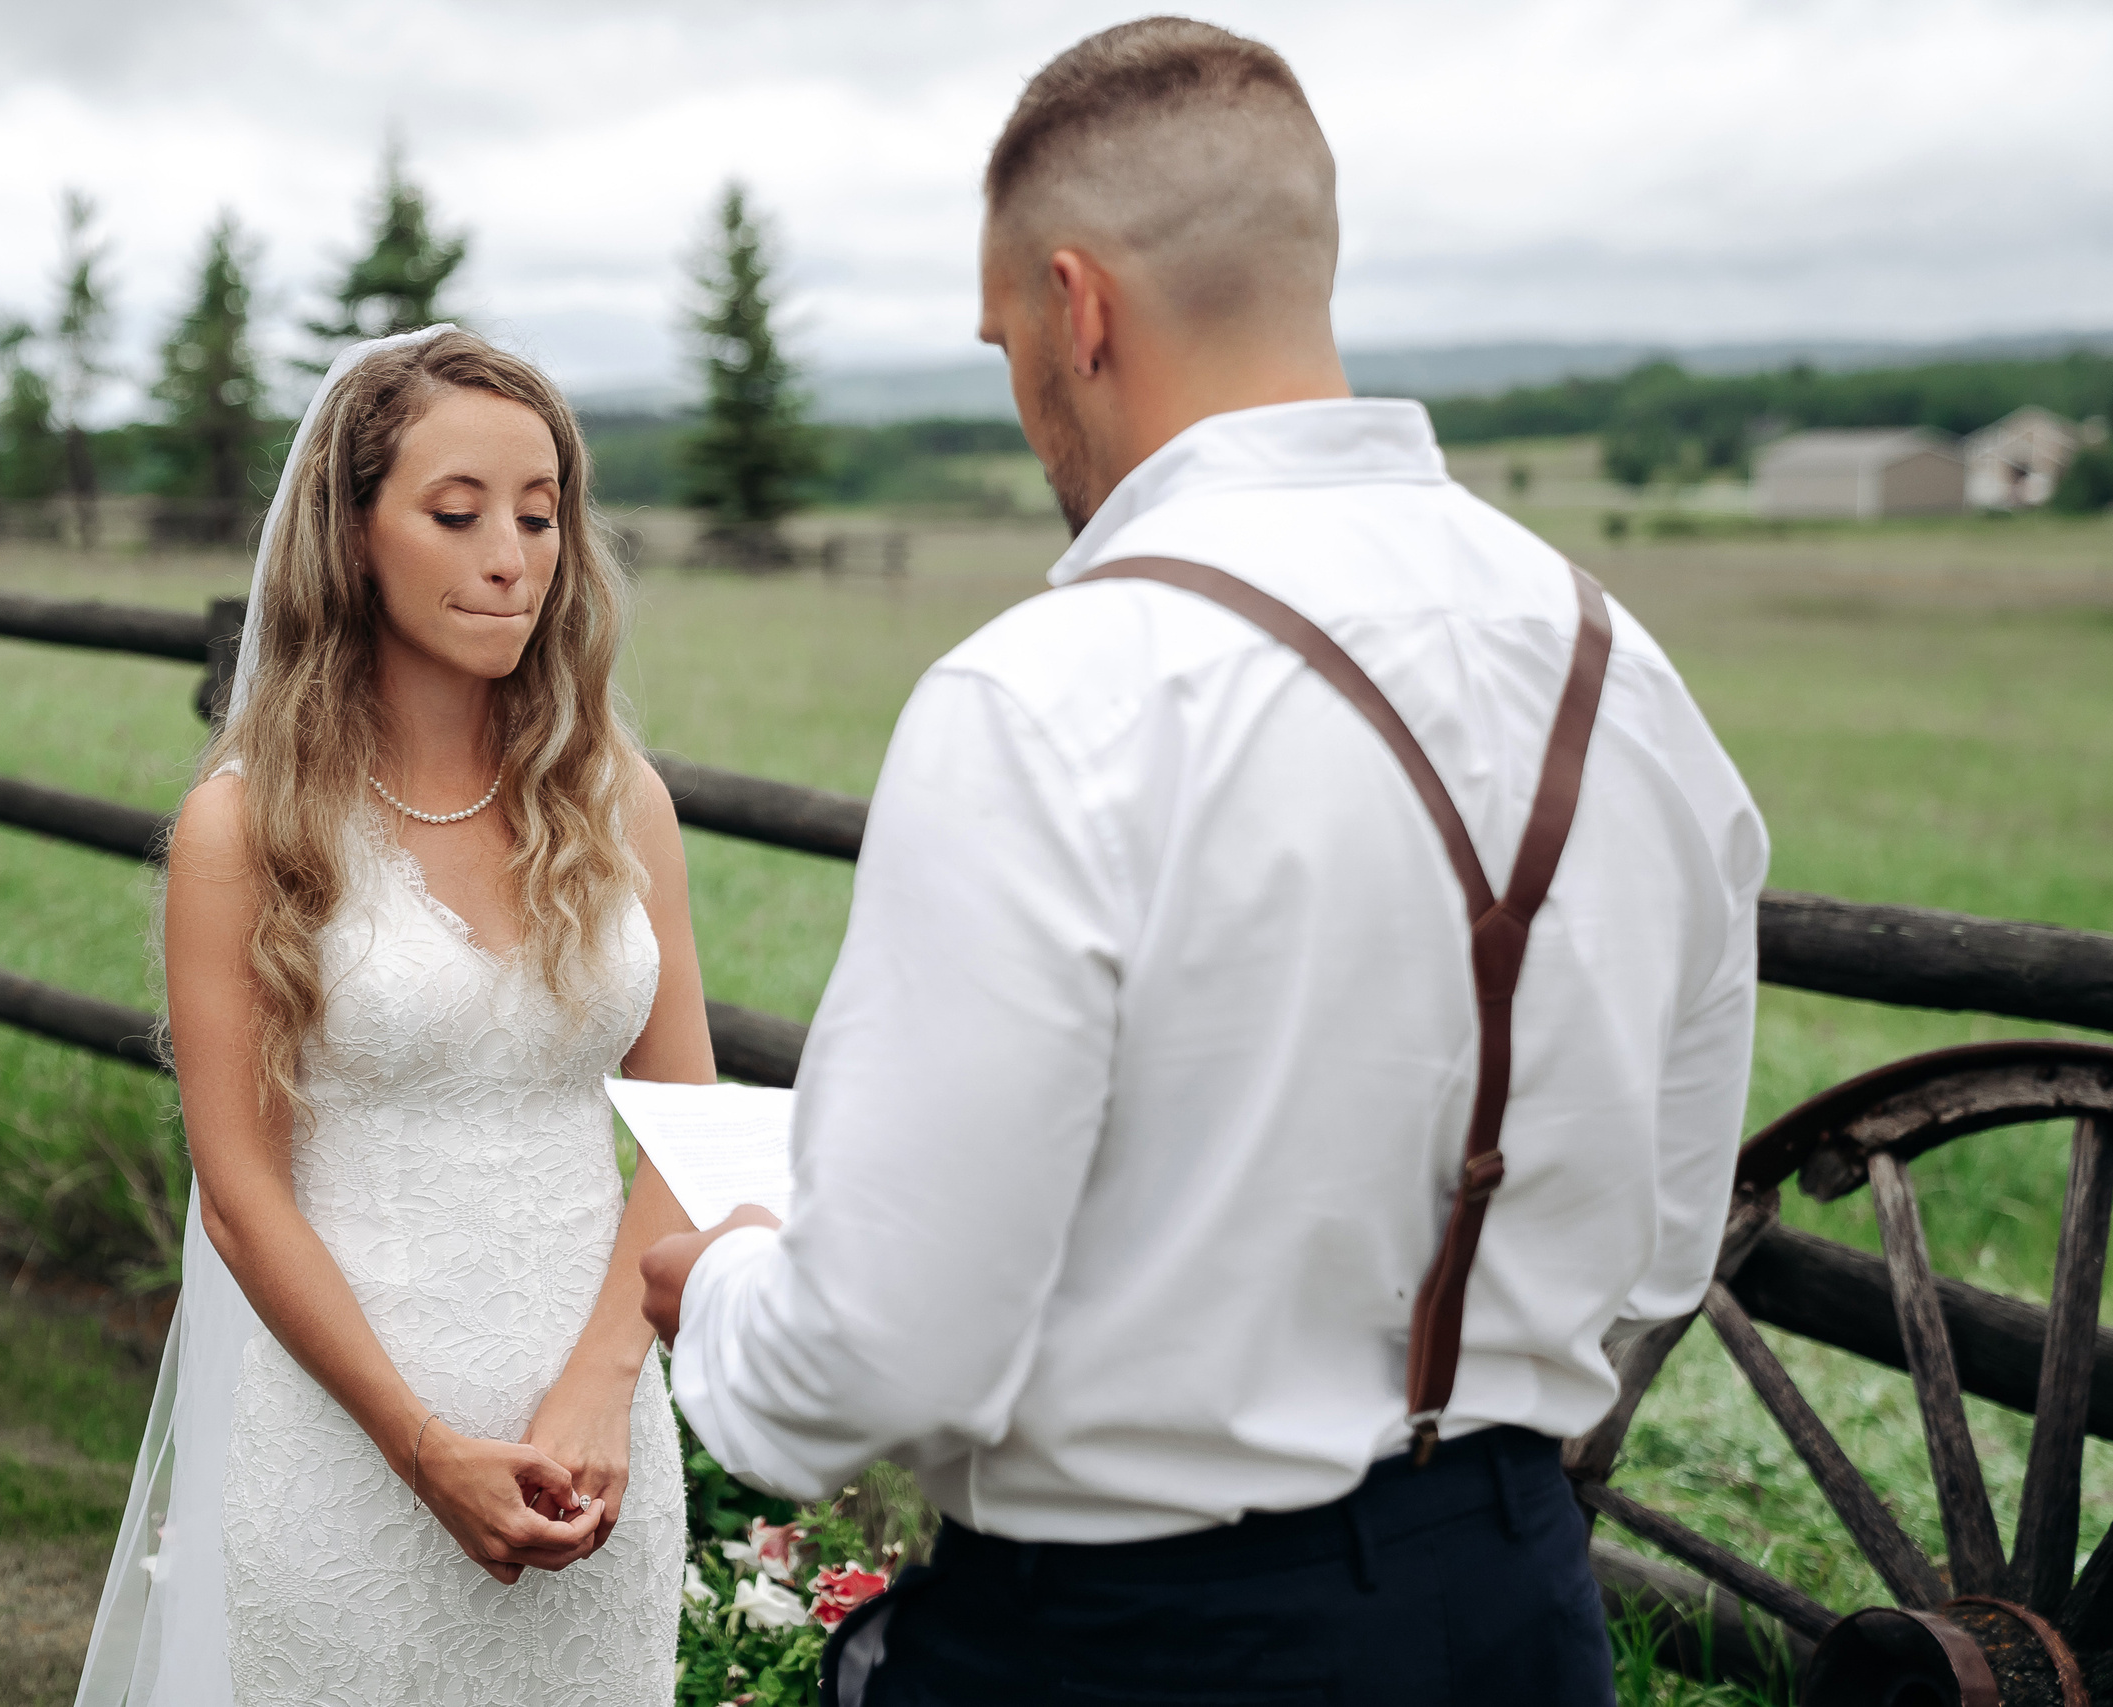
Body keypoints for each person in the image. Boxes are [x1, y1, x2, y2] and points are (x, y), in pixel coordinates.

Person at [642, 20, 1767, 1706]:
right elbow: (1664, 1252)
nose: (1023, 398)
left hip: (1131, 1645)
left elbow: (871, 1361)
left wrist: (723, 1275)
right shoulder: (1634, 683)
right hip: (1520, 1616)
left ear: (1078, 310)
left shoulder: (1045, 697)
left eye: (1006, 338)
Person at [74, 326, 706, 1707]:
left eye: (541, 516)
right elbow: (241, 1197)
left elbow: (685, 1127)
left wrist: (604, 1387)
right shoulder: (245, 828)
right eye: (457, 512)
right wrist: (422, 1446)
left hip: (595, 1458)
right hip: (348, 1453)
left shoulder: (619, 804)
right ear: (354, 536)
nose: (513, 556)